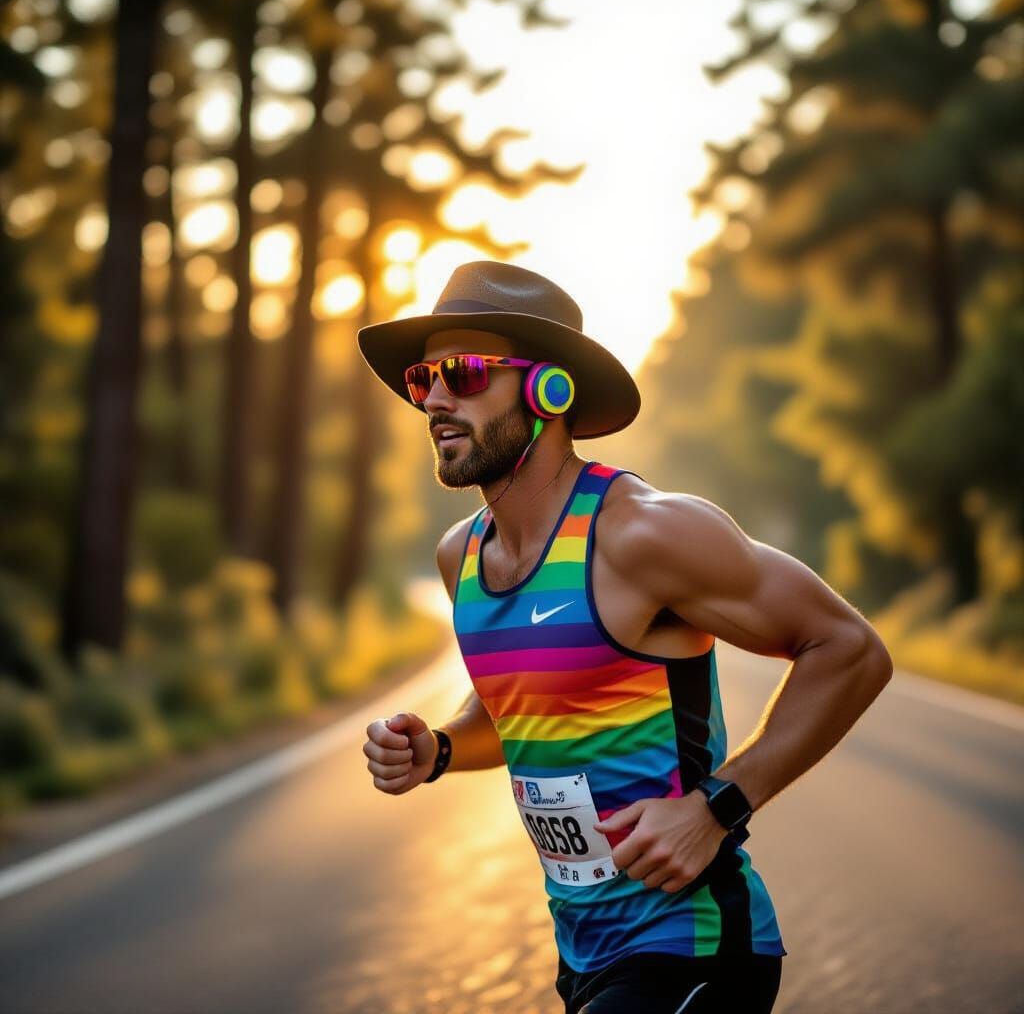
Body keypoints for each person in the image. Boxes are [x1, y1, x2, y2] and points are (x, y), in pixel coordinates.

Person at [357, 261, 893, 1013]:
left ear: (550, 388)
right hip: (584, 951)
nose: (436, 399)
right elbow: (523, 716)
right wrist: (439, 749)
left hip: (694, 945)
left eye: (466, 373)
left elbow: (851, 650)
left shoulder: (643, 533)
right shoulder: (463, 557)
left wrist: (717, 807)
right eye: (424, 379)